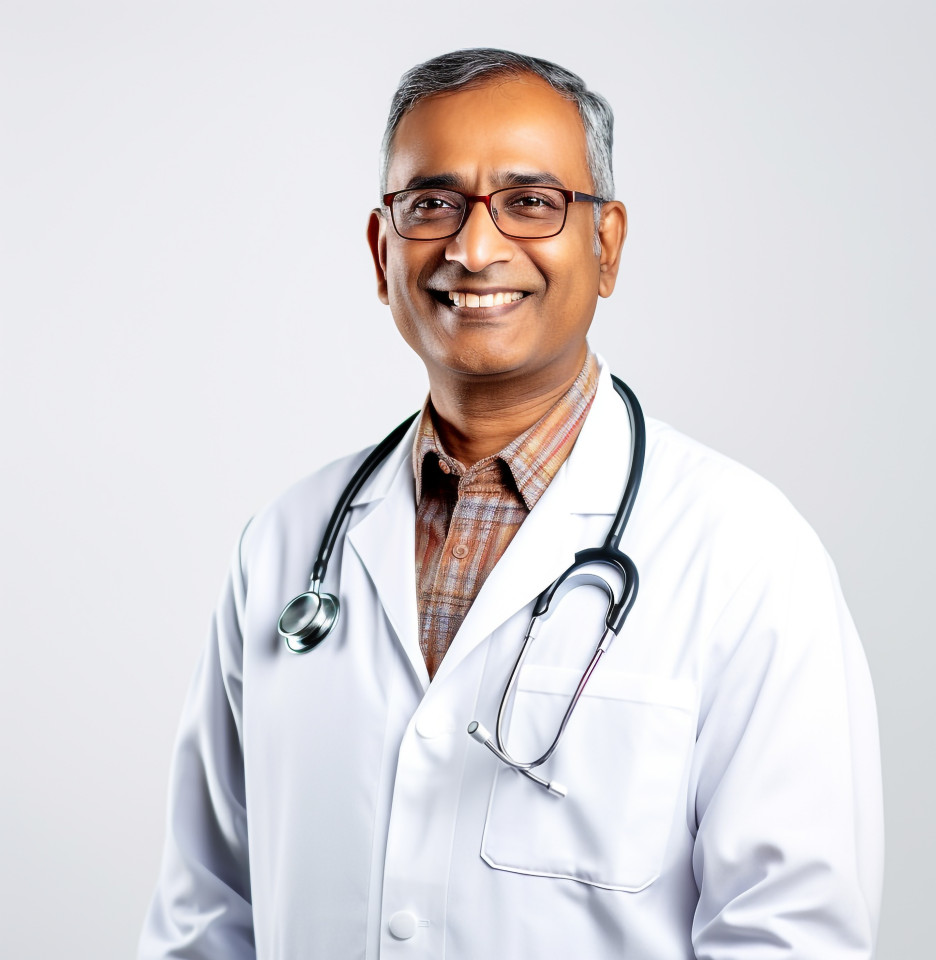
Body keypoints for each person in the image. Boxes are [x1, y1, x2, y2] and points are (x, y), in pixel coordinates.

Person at [139, 48, 883, 959]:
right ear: (381, 251)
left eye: (530, 202)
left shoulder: (746, 555)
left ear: (606, 245)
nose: (473, 248)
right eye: (432, 204)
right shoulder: (284, 545)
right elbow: (206, 917)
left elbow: (789, 935)